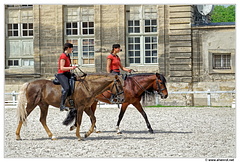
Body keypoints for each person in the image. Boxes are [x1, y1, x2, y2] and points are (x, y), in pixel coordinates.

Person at [56, 43, 77, 111]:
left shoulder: (68, 56)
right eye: (71, 48)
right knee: (67, 88)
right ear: (68, 48)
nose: (72, 49)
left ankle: (71, 102)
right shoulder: (63, 56)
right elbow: (62, 68)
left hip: (67, 73)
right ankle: (62, 105)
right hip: (61, 74)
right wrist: (71, 67)